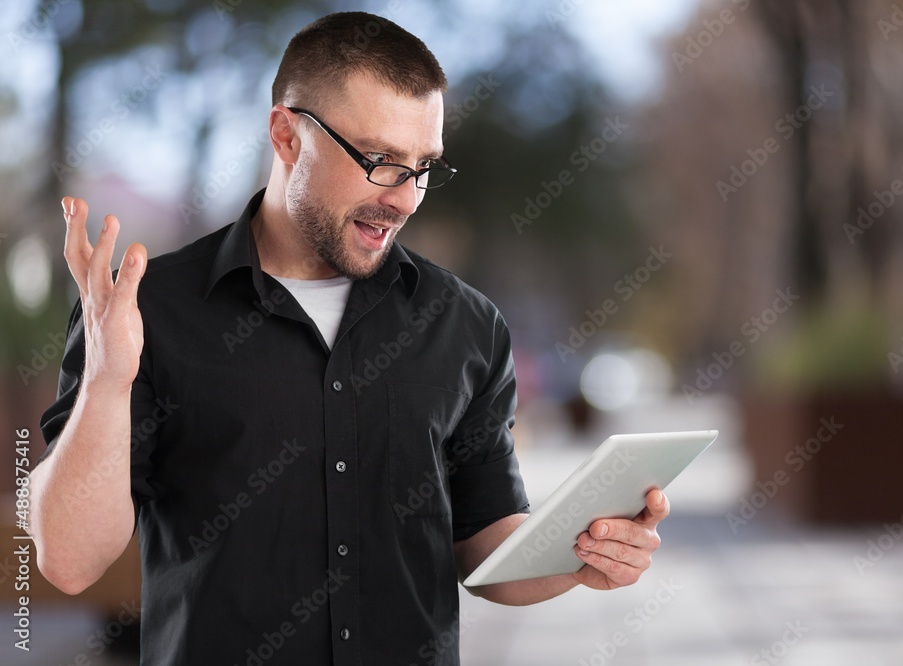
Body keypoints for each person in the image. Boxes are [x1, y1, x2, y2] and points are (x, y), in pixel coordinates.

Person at [31, 11, 669, 664]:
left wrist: (578, 556)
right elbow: (69, 563)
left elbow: (482, 544)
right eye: (381, 160)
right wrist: (109, 382)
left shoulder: (467, 326)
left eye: (424, 165)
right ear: (286, 135)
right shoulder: (143, 314)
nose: (406, 197)